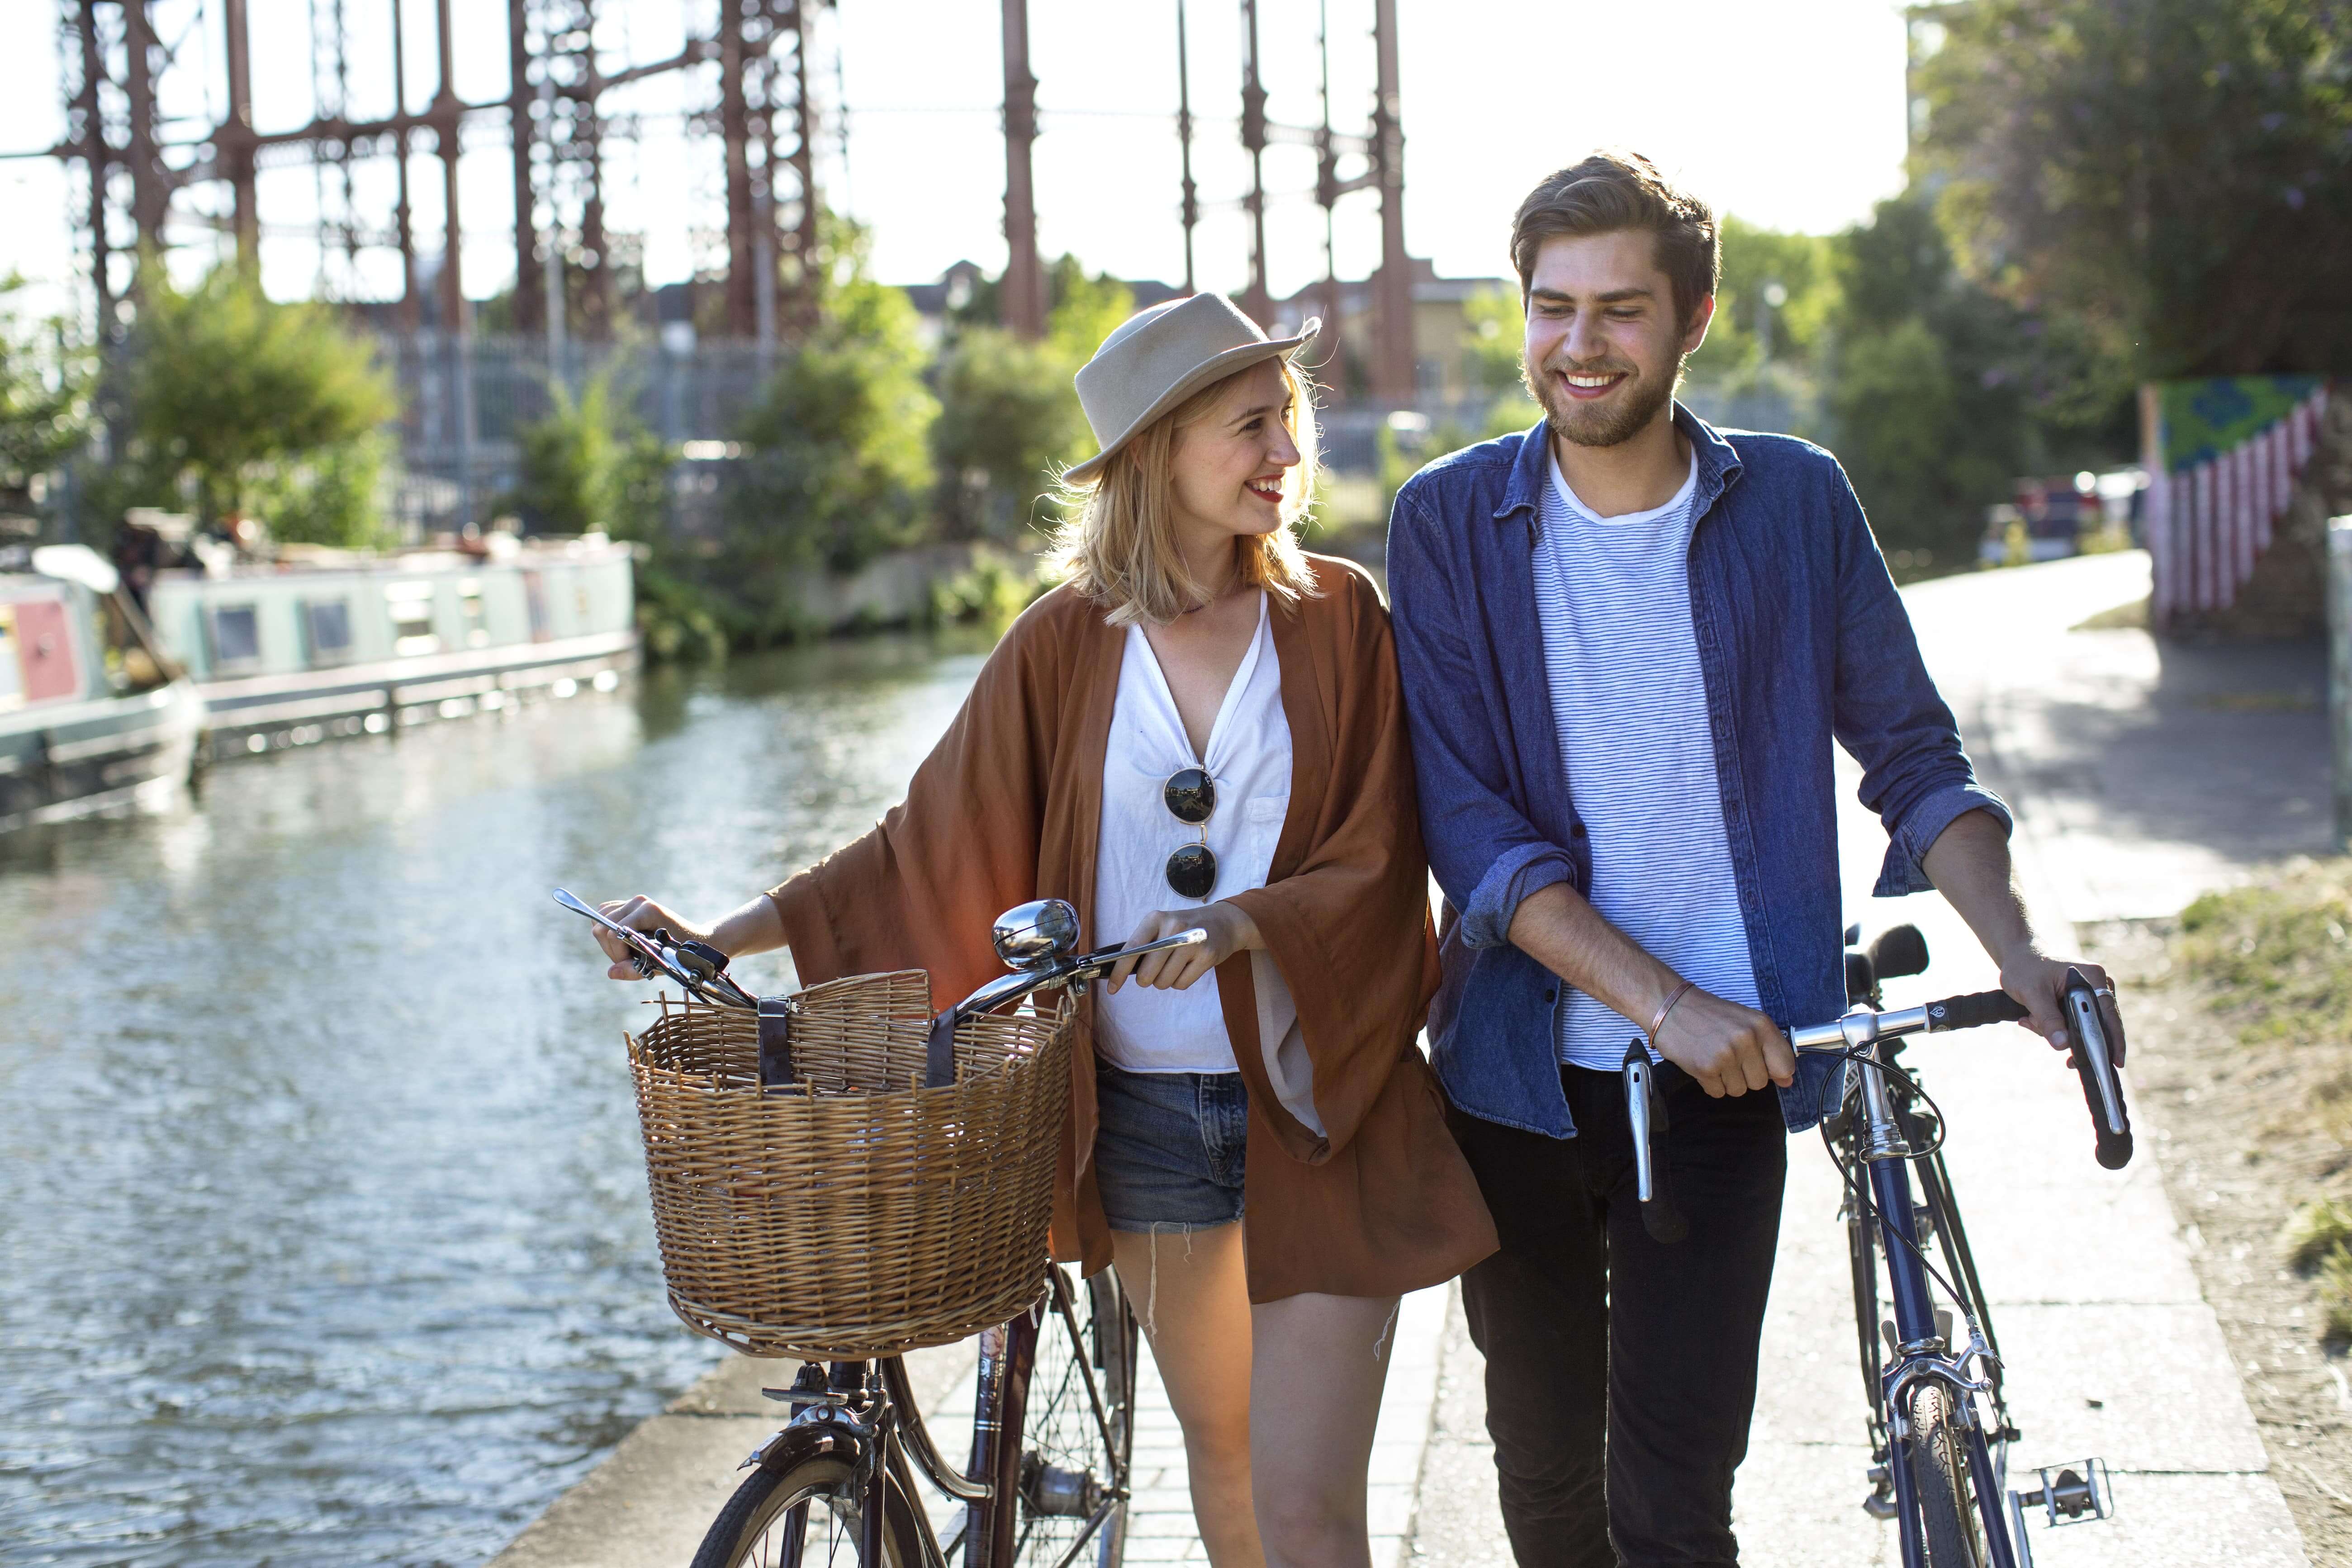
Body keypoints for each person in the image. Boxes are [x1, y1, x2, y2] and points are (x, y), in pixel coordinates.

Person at [591, 292, 1495, 1567]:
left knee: (1309, 1510)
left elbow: (1381, 848)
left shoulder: (1341, 619)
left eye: (1287, 422)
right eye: (1251, 428)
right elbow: (925, 843)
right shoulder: (1065, 645)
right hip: (1146, 1122)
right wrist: (726, 935)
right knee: (1226, 1468)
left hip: (1318, 1105)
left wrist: (1245, 922)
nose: (1287, 455)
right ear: (1158, 451)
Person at [1384, 152, 2116, 1568]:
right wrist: (1665, 1000)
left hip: (1729, 1079)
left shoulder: (1792, 505)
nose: (1581, 345)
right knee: (1543, 1484)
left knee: (1670, 1506)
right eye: (1553, 308)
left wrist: (2018, 955)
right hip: (1517, 1081)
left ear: (1694, 317)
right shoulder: (1449, 522)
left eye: (1621, 310)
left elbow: (1912, 756)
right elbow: (1469, 827)